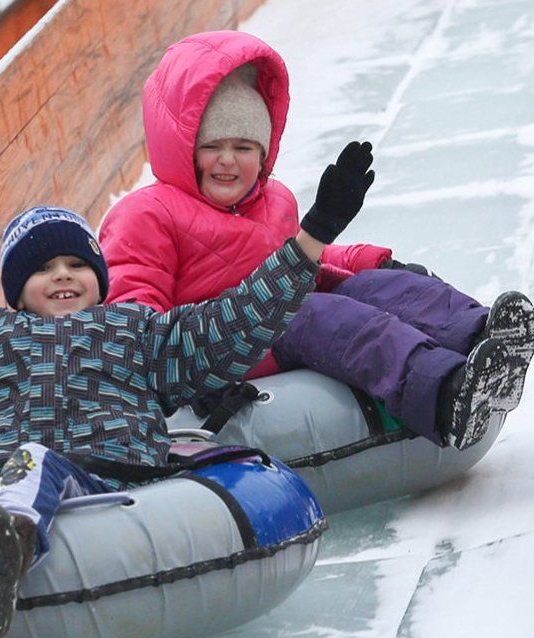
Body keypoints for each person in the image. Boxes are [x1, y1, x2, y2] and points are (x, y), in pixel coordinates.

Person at [0, 68, 372, 638]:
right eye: (42, 268)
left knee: (35, 459)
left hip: (96, 479)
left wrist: (312, 238)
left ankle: (2, 548)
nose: (62, 276)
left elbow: (233, 323)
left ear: (100, 281)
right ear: (14, 289)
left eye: (77, 265)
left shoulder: (135, 332)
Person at [99, 30, 534, 451]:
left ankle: (486, 338)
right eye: (212, 146)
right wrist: (200, 374)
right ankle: (445, 395)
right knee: (314, 314)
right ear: (184, 146)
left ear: (265, 150)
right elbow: (133, 325)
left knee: (372, 288)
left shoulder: (273, 200)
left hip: (283, 317)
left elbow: (306, 255)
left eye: (244, 147)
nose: (228, 161)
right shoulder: (146, 214)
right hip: (222, 349)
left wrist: (369, 262)